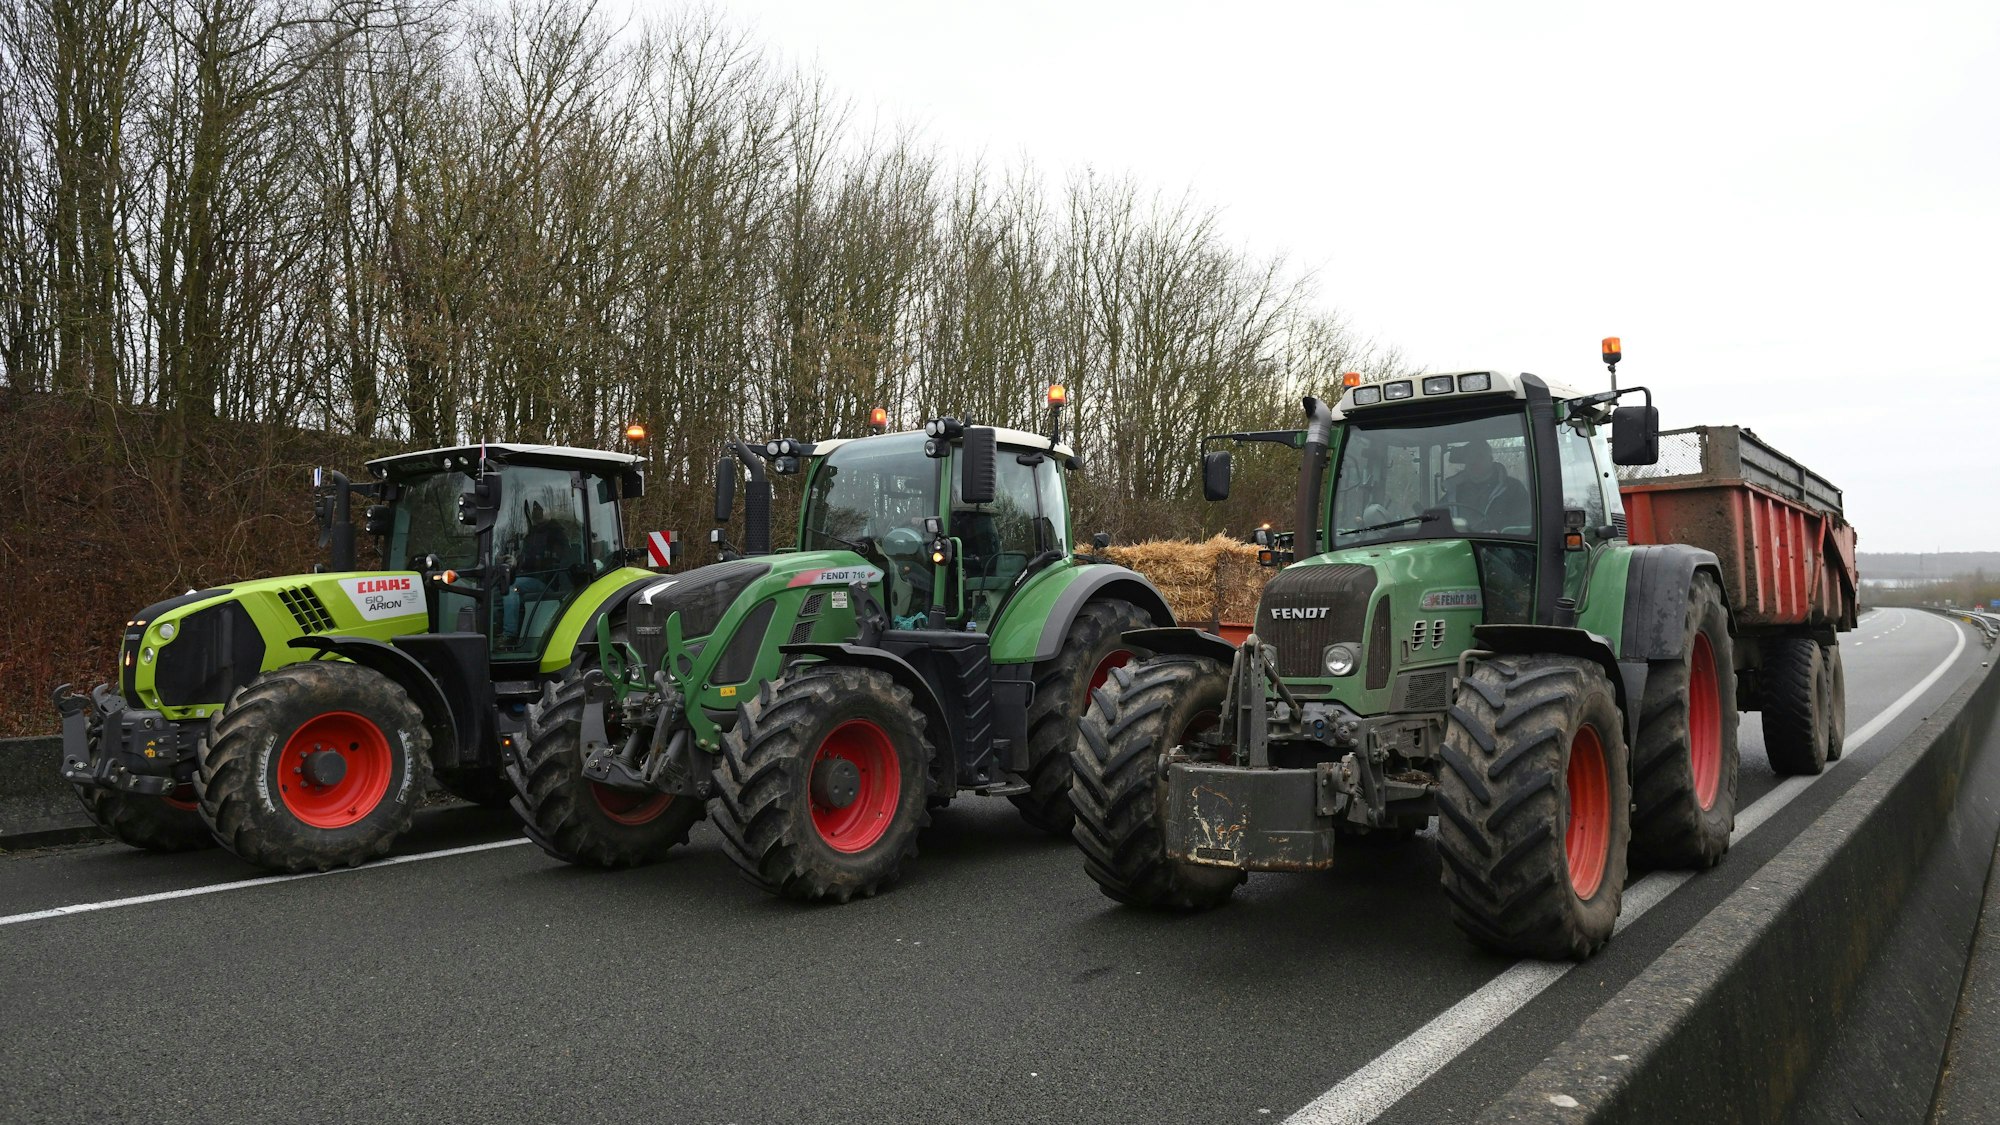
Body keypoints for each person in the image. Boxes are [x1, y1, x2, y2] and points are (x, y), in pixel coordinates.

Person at [500, 502, 572, 647]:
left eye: (539, 509)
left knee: (510, 588)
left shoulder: (555, 533)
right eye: (534, 510)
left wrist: (522, 562)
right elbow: (527, 560)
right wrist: (514, 562)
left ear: (548, 511)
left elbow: (554, 560)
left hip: (547, 582)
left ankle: (509, 635)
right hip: (528, 579)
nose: (536, 512)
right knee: (495, 587)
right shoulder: (531, 535)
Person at [1445, 440, 1532, 531]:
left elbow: (1523, 524)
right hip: (1459, 543)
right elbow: (1436, 519)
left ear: (1490, 460)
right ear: (1465, 461)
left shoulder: (1513, 488)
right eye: (1469, 457)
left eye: (1480, 456)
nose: (1474, 461)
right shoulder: (1454, 490)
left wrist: (1500, 534)